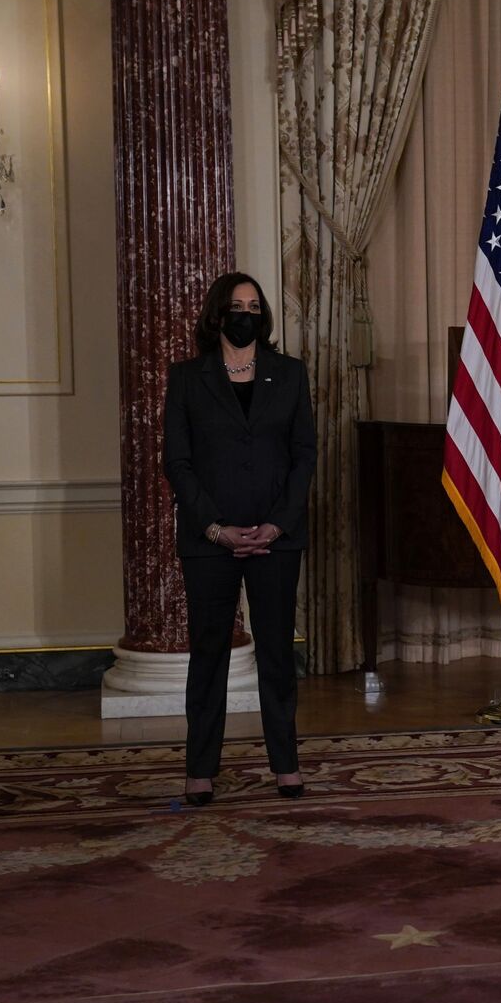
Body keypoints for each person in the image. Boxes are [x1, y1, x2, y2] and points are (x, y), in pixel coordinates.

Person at [163, 272, 316, 805]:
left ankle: (286, 765)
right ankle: (200, 769)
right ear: (217, 314)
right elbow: (177, 463)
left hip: (277, 536)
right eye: (236, 306)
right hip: (210, 539)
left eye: (254, 306)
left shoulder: (290, 374)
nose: (245, 314)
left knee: (276, 652)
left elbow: (304, 456)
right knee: (209, 655)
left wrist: (279, 522)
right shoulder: (187, 378)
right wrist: (214, 528)